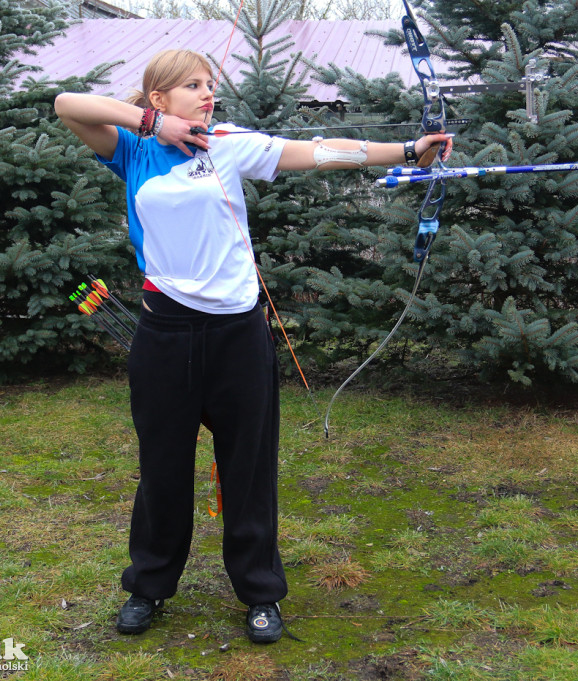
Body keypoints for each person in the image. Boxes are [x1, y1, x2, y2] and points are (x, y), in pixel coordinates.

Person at [54, 48, 453, 644]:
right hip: (165, 334)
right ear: (159, 97)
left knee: (249, 468)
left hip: (238, 334)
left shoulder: (225, 142)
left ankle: (260, 593)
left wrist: (404, 151)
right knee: (162, 468)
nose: (207, 94)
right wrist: (150, 125)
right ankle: (150, 585)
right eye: (192, 86)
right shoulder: (131, 150)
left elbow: (315, 152)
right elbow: (66, 105)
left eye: (210, 84)